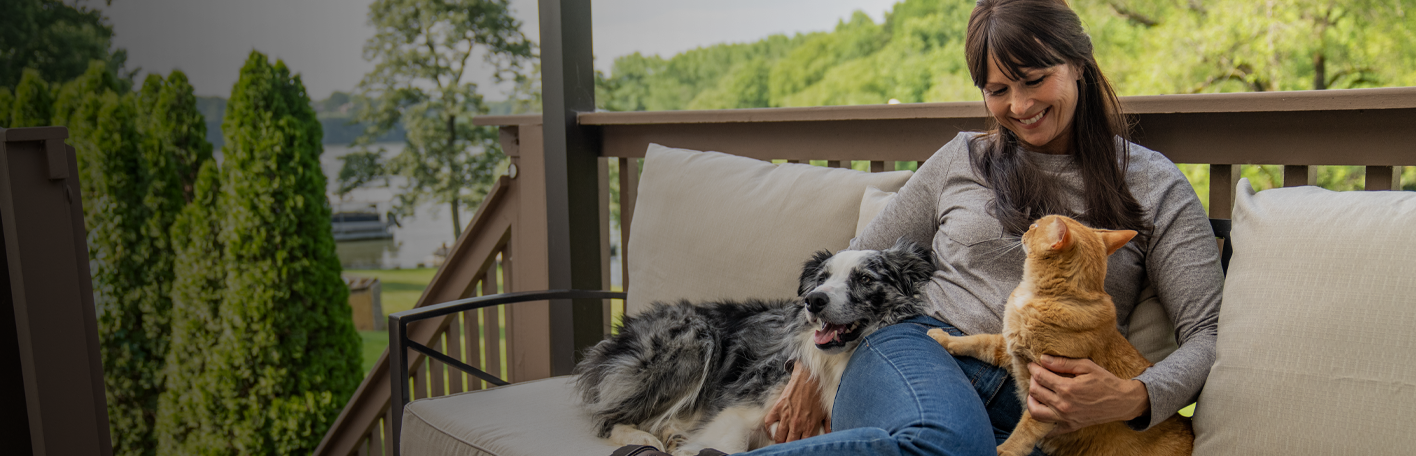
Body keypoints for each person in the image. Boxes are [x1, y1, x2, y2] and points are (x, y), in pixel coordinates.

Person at [748, 0, 1224, 455]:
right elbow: (851, 265)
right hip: (918, 349)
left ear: (1080, 63)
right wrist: (809, 371)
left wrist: (1133, 397)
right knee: (949, 441)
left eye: (1035, 80)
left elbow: (1208, 331)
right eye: (997, 91)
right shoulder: (962, 158)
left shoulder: (1154, 183)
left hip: (1045, 414)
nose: (1019, 106)